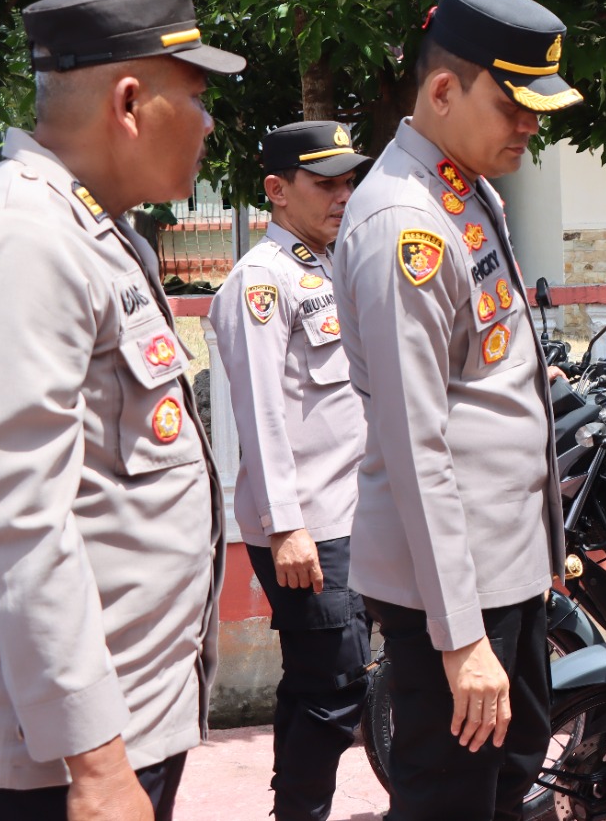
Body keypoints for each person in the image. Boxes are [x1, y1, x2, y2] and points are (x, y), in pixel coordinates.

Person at [0, 0, 241, 820]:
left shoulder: (88, 231)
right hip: (37, 766)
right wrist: (95, 763)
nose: (210, 121)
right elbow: (20, 520)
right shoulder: (20, 241)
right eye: (194, 96)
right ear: (129, 102)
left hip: (100, 736)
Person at [334, 0, 573, 821]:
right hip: (455, 592)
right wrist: (461, 637)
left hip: (497, 573)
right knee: (450, 801)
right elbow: (416, 445)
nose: (531, 125)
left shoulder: (461, 190)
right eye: (516, 105)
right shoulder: (407, 225)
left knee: (506, 784)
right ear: (444, 90)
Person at [209, 120, 371, 821]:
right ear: (277, 191)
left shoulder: (335, 265)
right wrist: (286, 527)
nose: (343, 196)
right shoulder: (262, 283)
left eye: (348, 181)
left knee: (321, 682)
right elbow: (261, 415)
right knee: (334, 689)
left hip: (358, 513)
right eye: (325, 183)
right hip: (311, 526)